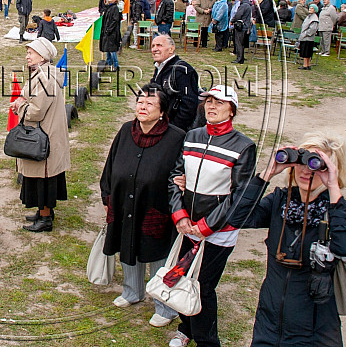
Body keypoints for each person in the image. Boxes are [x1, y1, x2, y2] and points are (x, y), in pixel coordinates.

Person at [229, 133, 346, 347]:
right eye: (302, 162)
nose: (307, 170)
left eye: (317, 165)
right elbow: (237, 217)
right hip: (269, 323)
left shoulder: (335, 211)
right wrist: (267, 174)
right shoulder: (281, 200)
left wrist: (333, 187)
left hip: (314, 330)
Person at [168, 85, 256, 347]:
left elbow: (239, 196)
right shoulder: (192, 135)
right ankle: (186, 329)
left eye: (219, 102)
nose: (211, 105)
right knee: (184, 277)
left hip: (217, 233)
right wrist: (180, 214)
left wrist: (207, 226)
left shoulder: (244, 146)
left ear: (232, 110)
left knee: (203, 286)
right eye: (208, 100)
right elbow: (176, 177)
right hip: (187, 226)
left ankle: (207, 341)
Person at [100, 83, 185, 328]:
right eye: (140, 101)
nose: (142, 106)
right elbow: (111, 164)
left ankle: (164, 306)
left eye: (149, 103)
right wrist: (108, 196)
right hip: (124, 201)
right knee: (127, 244)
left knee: (158, 253)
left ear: (162, 111)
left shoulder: (176, 137)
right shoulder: (127, 130)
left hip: (156, 205)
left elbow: (180, 173)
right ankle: (132, 291)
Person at [9, 37, 70, 232]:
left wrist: (19, 106)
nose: (27, 56)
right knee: (41, 177)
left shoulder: (46, 77)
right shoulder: (42, 74)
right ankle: (44, 212)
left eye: (30, 53)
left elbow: (36, 111)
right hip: (44, 133)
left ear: (42, 56)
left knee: (44, 178)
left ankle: (45, 219)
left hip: (44, 135)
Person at [150, 34, 199, 131]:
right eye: (153, 46)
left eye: (159, 45)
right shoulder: (160, 67)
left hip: (173, 129)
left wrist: (172, 129)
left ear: (171, 49)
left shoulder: (182, 71)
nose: (154, 49)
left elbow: (189, 105)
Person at [99, 0, 121, 71]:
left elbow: (115, 20)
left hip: (112, 32)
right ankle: (109, 63)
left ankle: (116, 65)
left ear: (115, 0)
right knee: (107, 48)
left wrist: (109, 29)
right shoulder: (109, 7)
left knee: (112, 50)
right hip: (106, 31)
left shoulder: (115, 8)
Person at [231, 0, 252, 64]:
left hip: (241, 26)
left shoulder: (244, 5)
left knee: (239, 43)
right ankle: (241, 58)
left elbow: (238, 15)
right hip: (245, 26)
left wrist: (232, 21)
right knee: (241, 43)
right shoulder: (248, 5)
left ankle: (239, 59)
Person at [298, 4, 319, 70]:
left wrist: (305, 34)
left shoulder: (314, 18)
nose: (310, 9)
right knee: (305, 51)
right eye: (310, 8)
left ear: (315, 10)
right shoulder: (308, 16)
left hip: (308, 38)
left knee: (307, 52)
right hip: (304, 37)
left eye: (312, 8)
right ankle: (307, 64)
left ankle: (306, 65)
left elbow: (312, 29)